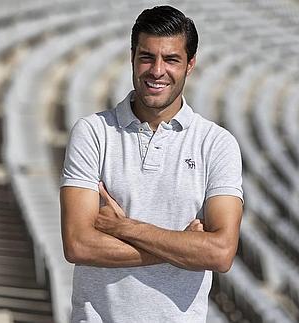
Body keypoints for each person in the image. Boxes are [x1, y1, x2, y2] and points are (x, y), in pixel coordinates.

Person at [60, 5, 243, 323]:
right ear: (132, 57)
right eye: (147, 57)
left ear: (190, 65)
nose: (157, 70)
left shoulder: (217, 144)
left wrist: (125, 228)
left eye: (171, 59)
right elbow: (78, 244)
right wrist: (183, 246)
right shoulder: (92, 133)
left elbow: (219, 253)